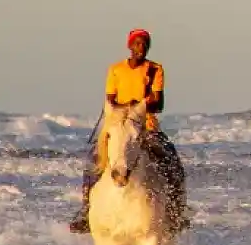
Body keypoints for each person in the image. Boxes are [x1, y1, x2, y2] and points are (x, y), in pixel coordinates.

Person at [69, 29, 191, 233]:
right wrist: (126, 107)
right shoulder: (116, 69)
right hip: (117, 123)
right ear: (130, 46)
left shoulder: (155, 69)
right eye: (137, 43)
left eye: (145, 44)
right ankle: (87, 210)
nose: (141, 47)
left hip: (145, 125)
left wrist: (140, 105)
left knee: (170, 158)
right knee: (93, 161)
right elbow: (110, 99)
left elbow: (158, 103)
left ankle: (175, 210)